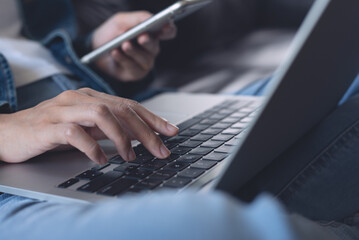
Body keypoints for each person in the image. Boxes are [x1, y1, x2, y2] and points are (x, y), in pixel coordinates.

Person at [0, 0, 358, 239]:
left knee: (340, 75)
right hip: (10, 180)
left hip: (115, 113)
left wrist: (98, 56)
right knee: (207, 226)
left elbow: (30, 56)